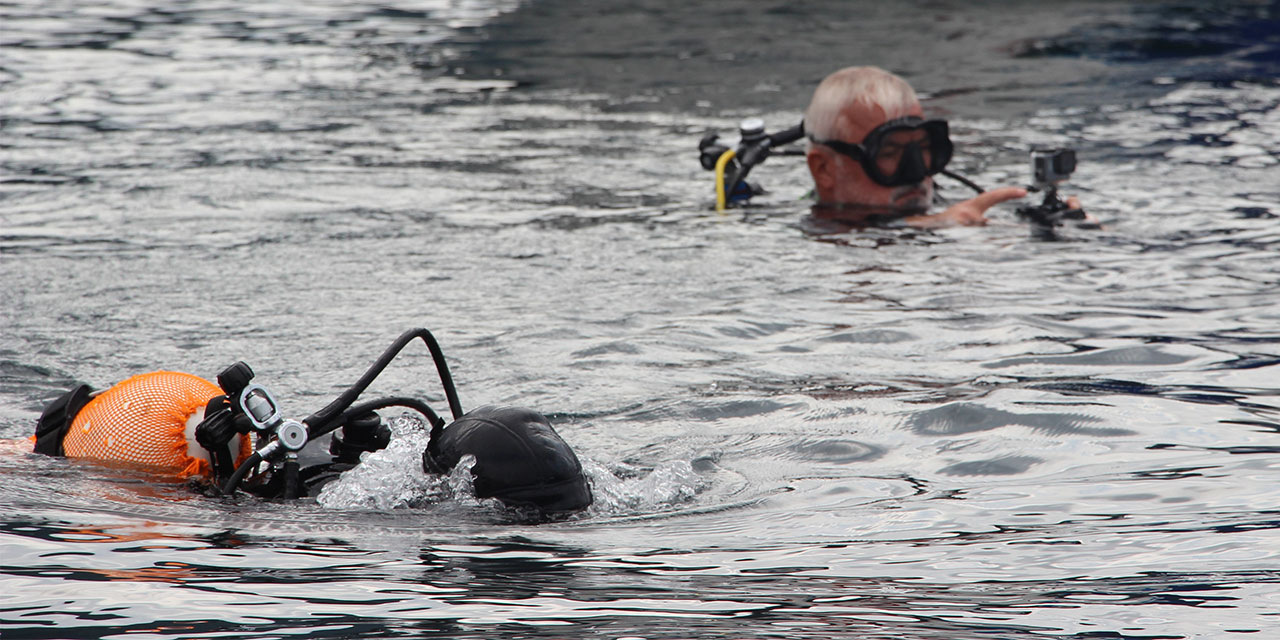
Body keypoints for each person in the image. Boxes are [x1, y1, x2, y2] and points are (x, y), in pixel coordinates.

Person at [804, 66, 1082, 229]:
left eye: (923, 148)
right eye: (889, 153)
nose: (917, 173)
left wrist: (1070, 228)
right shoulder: (781, 223)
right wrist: (937, 226)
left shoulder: (956, 205)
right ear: (824, 170)